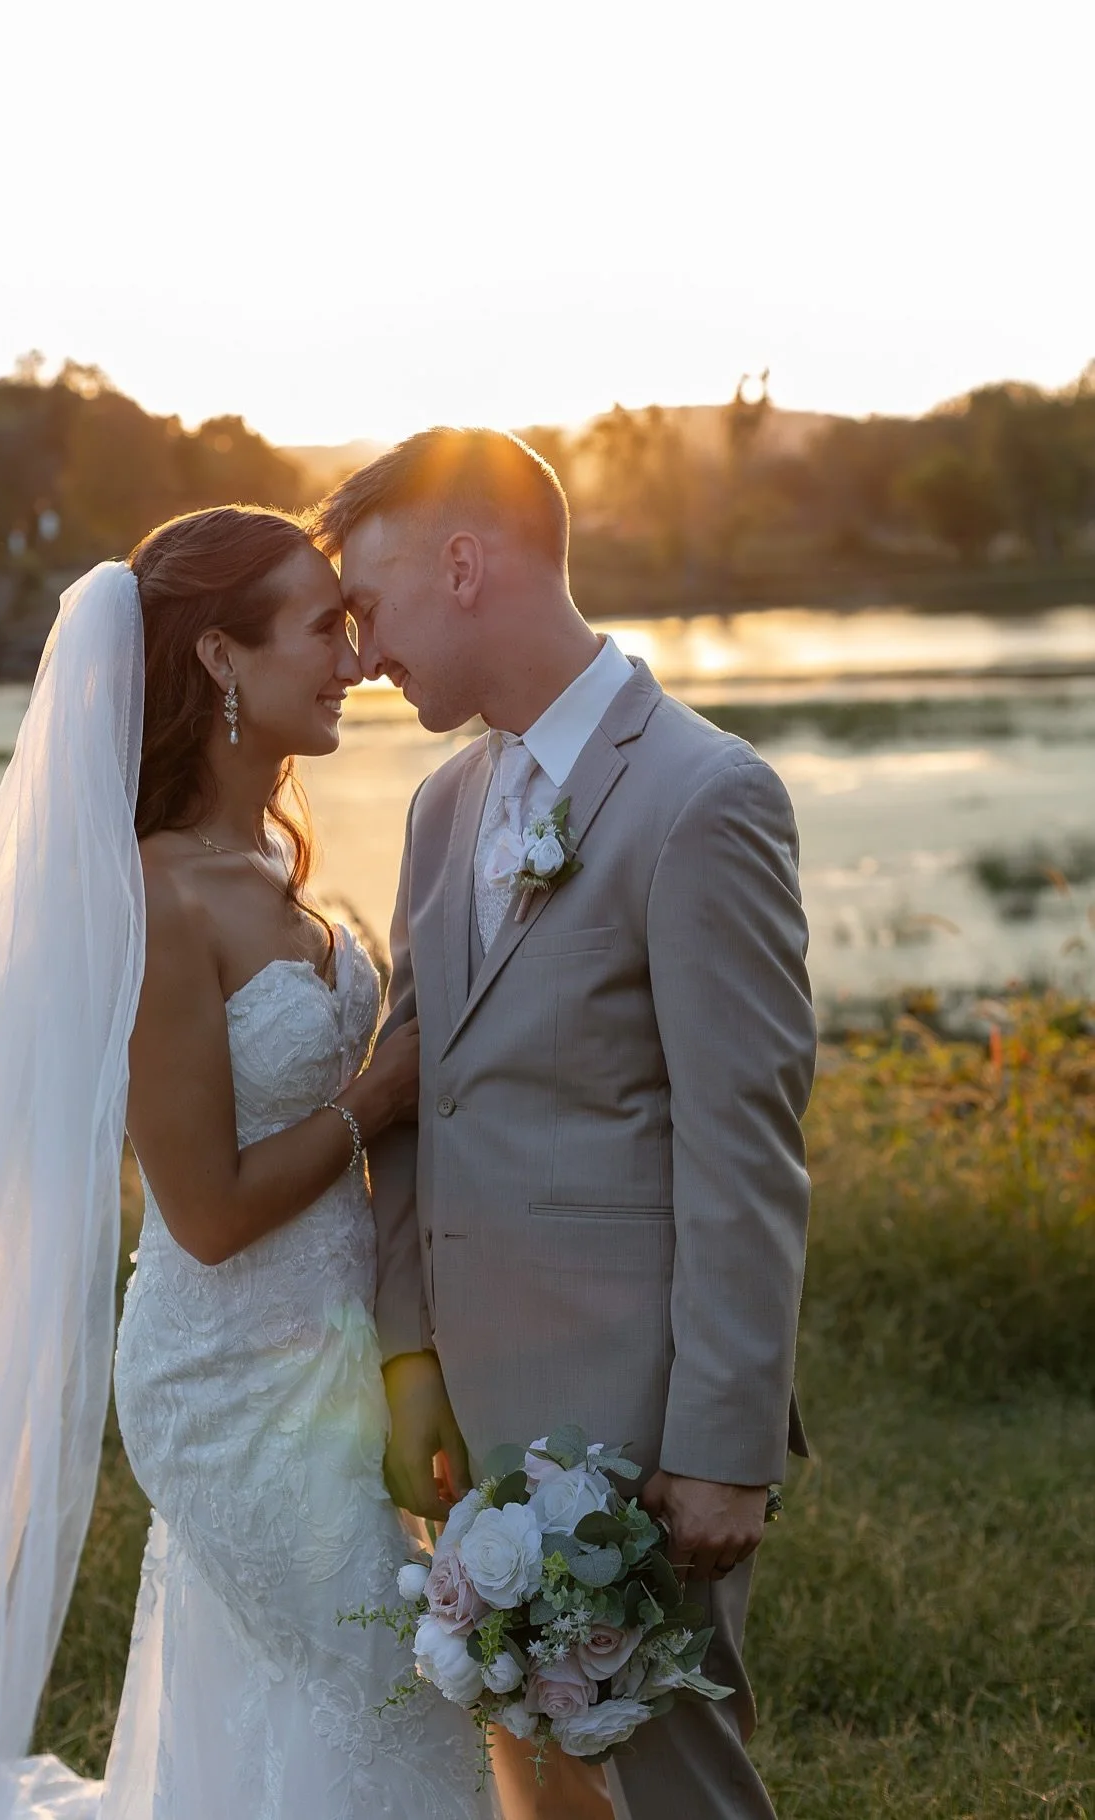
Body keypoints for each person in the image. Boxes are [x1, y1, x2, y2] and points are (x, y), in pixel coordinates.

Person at [0, 507, 490, 1820]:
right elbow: (203, 1211)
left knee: (305, 1699)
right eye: (324, 627)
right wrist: (385, 1092)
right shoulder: (159, 894)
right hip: (226, 1384)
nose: (355, 661)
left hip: (331, 1360)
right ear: (219, 660)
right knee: (389, 1687)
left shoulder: (279, 857)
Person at [313, 430, 817, 1820]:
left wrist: (723, 1446)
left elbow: (745, 1147)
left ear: (465, 564)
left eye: (370, 605)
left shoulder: (704, 799)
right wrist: (412, 1357)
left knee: (670, 1784)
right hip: (471, 1415)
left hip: (636, 1419)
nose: (360, 655)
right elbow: (423, 1095)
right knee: (527, 1784)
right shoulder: (442, 805)